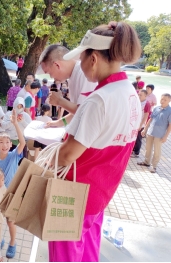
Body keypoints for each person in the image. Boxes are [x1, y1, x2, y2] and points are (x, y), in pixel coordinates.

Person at [47, 22, 142, 261]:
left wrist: (47, 160)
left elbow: (69, 154)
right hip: (101, 193)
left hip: (74, 196)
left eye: (81, 58)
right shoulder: (130, 94)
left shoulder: (99, 100)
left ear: (94, 59)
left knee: (65, 256)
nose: (79, 64)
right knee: (88, 252)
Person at [0, 110, 26, 259]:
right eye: (1, 142)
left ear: (11, 145)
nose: (4, 145)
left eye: (7, 142)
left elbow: (22, 142)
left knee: (10, 221)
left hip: (11, 194)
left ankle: (13, 242)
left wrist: (15, 123)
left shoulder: (14, 155)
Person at [39, 44, 97, 128]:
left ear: (57, 65)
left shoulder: (84, 73)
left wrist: (59, 101)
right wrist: (57, 123)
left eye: (49, 73)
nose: (51, 77)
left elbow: (86, 112)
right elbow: (76, 111)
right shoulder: (73, 76)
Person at [138, 93, 171, 173]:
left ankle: (154, 166)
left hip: (160, 135)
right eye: (162, 99)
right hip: (150, 132)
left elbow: (170, 125)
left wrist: (166, 136)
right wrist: (145, 129)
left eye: (165, 100)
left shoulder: (170, 111)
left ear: (169, 101)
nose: (162, 101)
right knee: (148, 149)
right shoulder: (156, 108)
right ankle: (146, 162)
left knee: (157, 151)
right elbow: (150, 119)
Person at [131, 90, 151, 158]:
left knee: (138, 139)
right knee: (134, 137)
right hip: (135, 123)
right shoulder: (138, 101)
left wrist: (140, 125)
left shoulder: (147, 104)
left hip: (140, 124)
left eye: (141, 95)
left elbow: (146, 116)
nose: (139, 96)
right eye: (138, 94)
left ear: (145, 96)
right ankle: (133, 150)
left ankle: (137, 153)